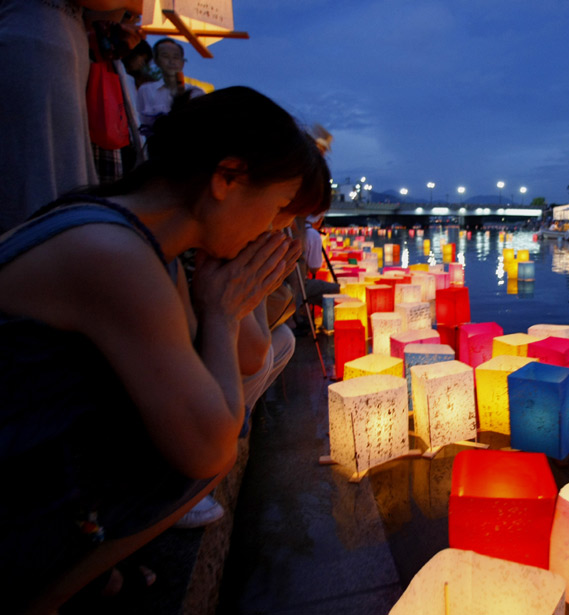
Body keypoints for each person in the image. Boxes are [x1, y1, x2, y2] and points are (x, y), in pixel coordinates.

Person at [0, 86, 331, 612]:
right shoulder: (113, 253)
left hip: (37, 463)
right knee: (207, 442)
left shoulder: (149, 244)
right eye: (277, 208)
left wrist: (234, 299)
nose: (275, 230)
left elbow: (245, 362)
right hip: (17, 491)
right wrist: (221, 314)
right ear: (227, 178)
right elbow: (207, 450)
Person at [0, 0, 142, 233]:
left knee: (57, 168)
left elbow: (98, 12)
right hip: (34, 44)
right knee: (35, 170)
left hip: (62, 49)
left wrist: (124, 18)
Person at [135, 38, 204, 134]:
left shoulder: (196, 93)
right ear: (156, 61)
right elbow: (139, 125)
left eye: (176, 57)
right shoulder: (146, 90)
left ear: (182, 62)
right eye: (165, 56)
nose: (171, 62)